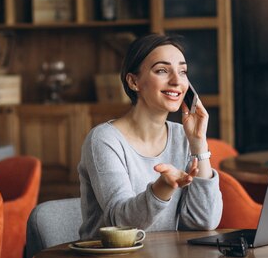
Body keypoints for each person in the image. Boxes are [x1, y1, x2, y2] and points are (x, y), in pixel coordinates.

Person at [78, 33, 222, 240]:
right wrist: (162, 187)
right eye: (162, 70)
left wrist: (199, 144)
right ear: (134, 81)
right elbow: (121, 223)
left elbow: (204, 221)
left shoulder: (184, 137)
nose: (176, 81)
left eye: (182, 72)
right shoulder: (103, 140)